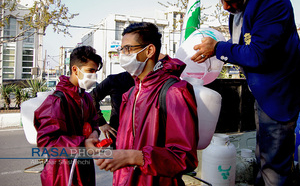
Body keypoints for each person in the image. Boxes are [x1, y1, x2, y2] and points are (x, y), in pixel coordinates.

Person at [191, 0, 300, 186]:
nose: (225, 7)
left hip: (280, 92)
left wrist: (218, 48)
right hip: (264, 91)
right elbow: (245, 41)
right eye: (221, 0)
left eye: (230, 1)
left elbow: (259, 54)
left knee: (274, 164)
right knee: (264, 154)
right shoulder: (242, 1)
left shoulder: (269, 1)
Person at [96, 22, 199, 186]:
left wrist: (135, 157)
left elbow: (184, 157)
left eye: (128, 49)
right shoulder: (129, 95)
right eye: (121, 50)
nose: (123, 55)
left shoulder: (174, 92)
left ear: (149, 50)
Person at [34, 46, 103, 186]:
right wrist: (83, 143)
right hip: (62, 170)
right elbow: (46, 142)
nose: (94, 75)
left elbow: (94, 122)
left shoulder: (86, 98)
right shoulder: (56, 101)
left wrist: (94, 134)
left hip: (84, 163)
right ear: (75, 69)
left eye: (95, 71)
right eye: (90, 70)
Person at [90, 71, 134, 148]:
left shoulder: (152, 80)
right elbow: (91, 97)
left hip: (142, 133)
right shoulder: (115, 80)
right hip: (118, 133)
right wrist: (101, 122)